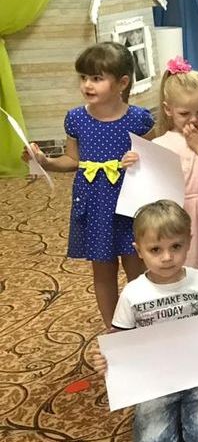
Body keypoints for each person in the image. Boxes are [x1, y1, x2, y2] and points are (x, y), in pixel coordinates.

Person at [25, 42, 154, 329]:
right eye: (83, 77)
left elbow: (156, 156)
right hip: (94, 203)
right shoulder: (77, 119)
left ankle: (145, 324)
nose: (87, 84)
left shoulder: (138, 119)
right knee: (103, 271)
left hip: (130, 202)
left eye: (97, 78)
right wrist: (45, 161)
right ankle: (113, 327)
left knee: (137, 266)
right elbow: (72, 159)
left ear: (122, 83)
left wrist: (141, 158)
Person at [92, 200, 198, 442]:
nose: (167, 257)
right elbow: (120, 340)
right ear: (139, 250)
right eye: (155, 249)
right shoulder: (132, 294)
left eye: (176, 246)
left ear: (189, 242)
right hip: (153, 379)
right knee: (153, 437)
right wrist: (107, 360)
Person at [135, 57, 198, 272]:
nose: (193, 119)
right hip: (178, 215)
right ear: (168, 109)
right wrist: (132, 163)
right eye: (184, 113)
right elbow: (148, 187)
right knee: (186, 264)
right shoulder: (160, 144)